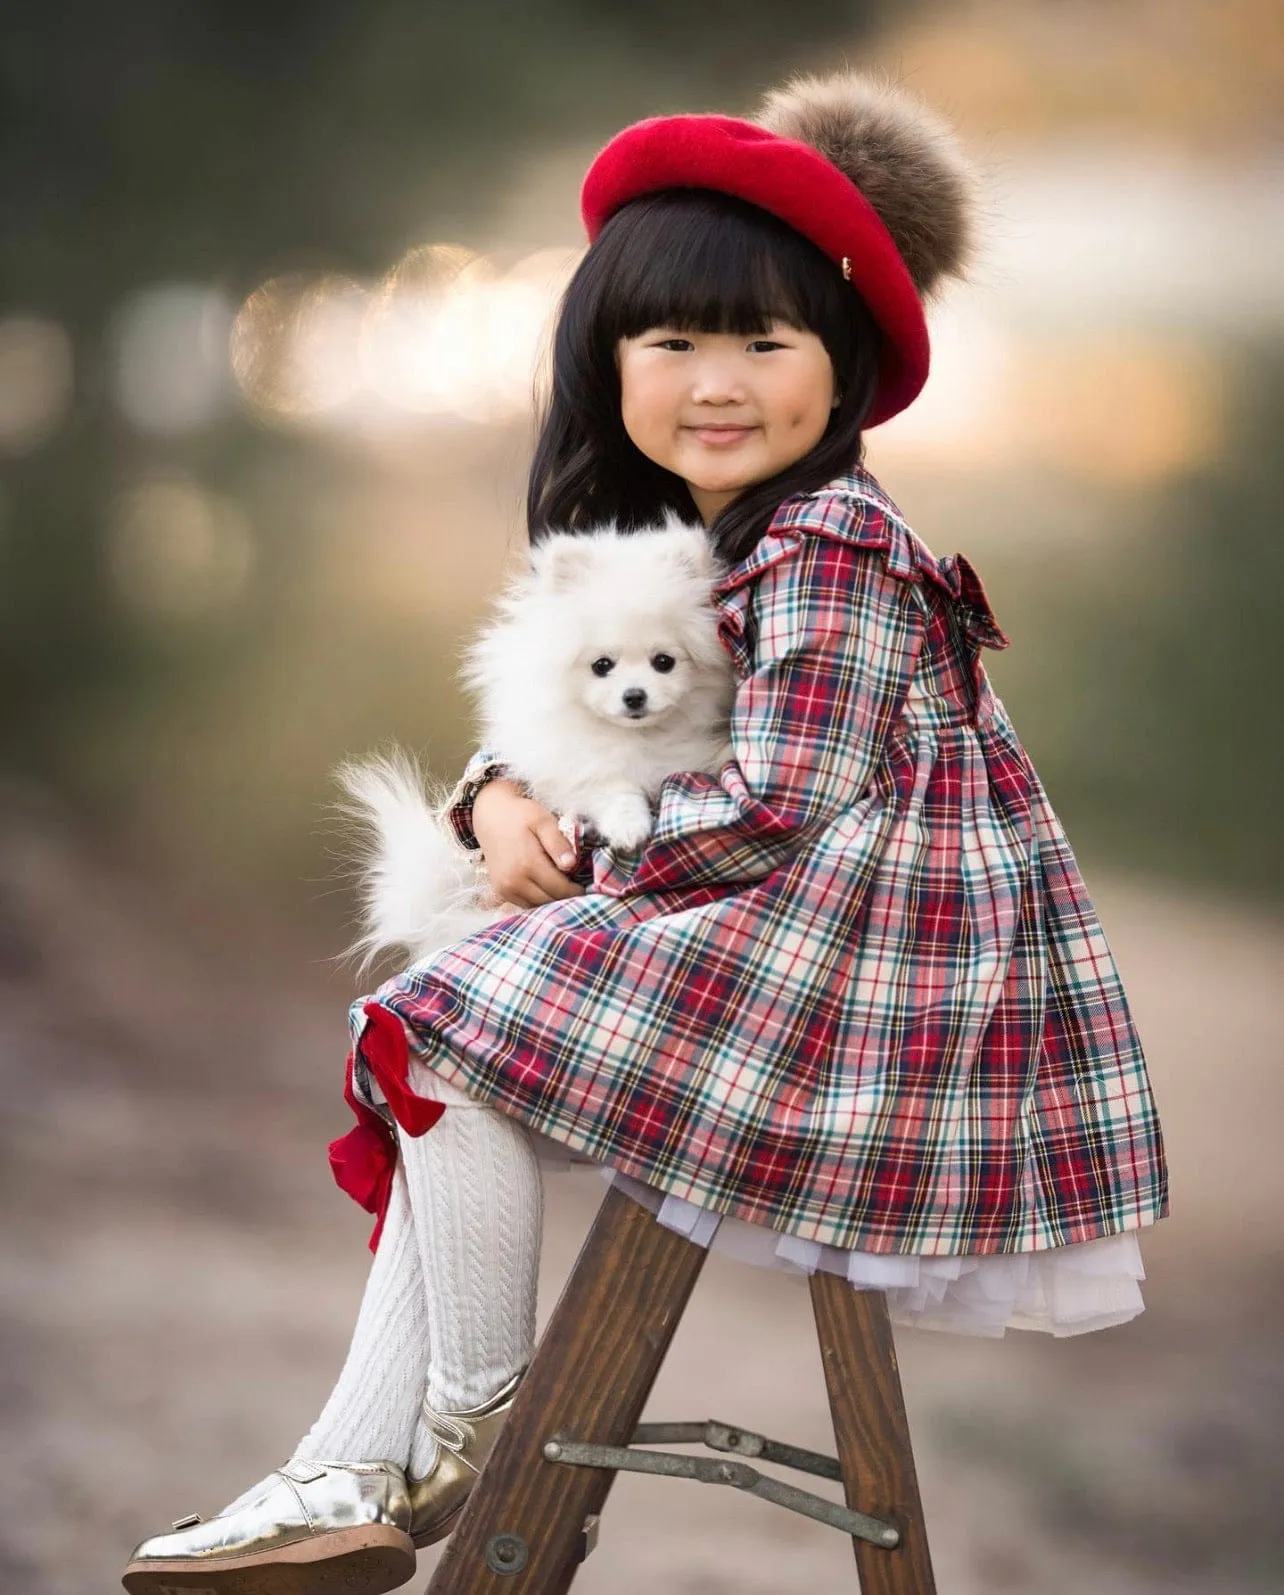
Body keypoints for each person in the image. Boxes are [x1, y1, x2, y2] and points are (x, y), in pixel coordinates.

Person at [122, 66, 1169, 1595]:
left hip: (866, 1002)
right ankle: (349, 1468)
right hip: (794, 947)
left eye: (766, 338)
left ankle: (453, 1432)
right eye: (671, 340)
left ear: (847, 361)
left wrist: (595, 854)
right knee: (445, 1037)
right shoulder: (719, 540)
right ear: (606, 363)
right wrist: (497, 795)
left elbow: (773, 798)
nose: (717, 379)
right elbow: (600, 710)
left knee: (443, 1032)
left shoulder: (834, 548)